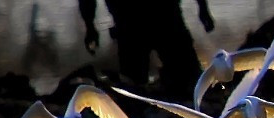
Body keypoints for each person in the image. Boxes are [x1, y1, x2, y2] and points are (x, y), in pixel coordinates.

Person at [79, 0, 215, 96]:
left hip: (161, 18)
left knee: (190, 79)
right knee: (133, 84)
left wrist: (203, 10)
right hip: (136, 23)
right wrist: (90, 27)